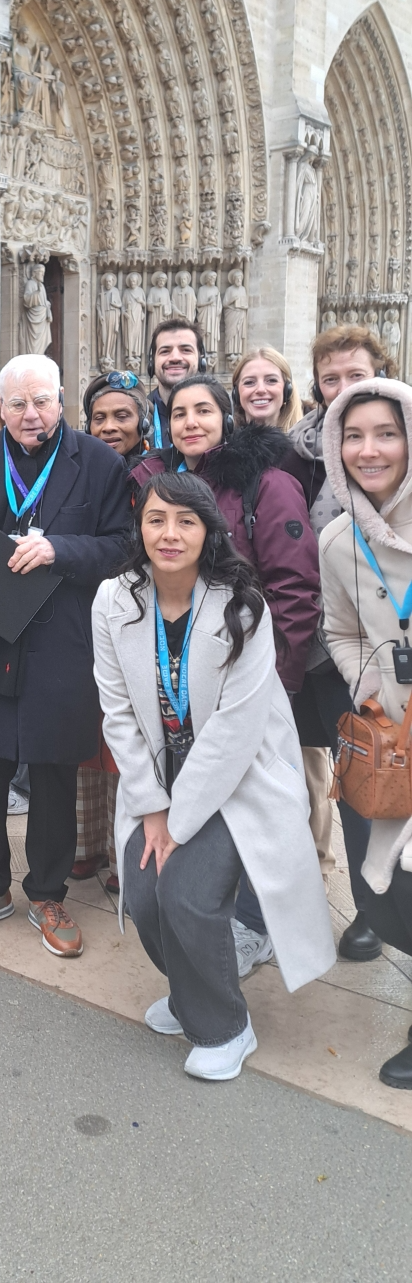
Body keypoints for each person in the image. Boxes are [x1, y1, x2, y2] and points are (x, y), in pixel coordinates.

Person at [93, 473, 334, 1080]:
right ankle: (191, 992)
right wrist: (150, 806)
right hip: (159, 775)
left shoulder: (242, 605)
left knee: (189, 896)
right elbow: (116, 709)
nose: (169, 534)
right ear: (140, 527)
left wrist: (178, 819)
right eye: (156, 520)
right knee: (145, 895)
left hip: (234, 778)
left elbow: (235, 731)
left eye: (186, 521)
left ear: (209, 531)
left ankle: (226, 1024)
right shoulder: (113, 599)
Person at [0, 354, 131, 957]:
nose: (29, 414)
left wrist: (57, 549)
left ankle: (47, 894)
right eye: (16, 403)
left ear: (62, 399)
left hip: (59, 642)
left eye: (41, 401)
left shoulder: (99, 463)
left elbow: (122, 547)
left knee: (51, 770)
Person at [129, 373, 322, 972]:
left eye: (203, 411)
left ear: (226, 418)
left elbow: (294, 589)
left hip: (255, 677)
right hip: (190, 679)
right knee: (212, 802)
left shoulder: (267, 483)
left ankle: (260, 925)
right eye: (179, 412)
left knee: (262, 806)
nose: (190, 422)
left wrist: (273, 682)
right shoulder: (162, 485)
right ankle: (223, 913)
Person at [285, 324, 397, 963]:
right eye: (331, 379)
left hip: (367, 651)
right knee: (299, 779)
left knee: (364, 790)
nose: (343, 389)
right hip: (306, 641)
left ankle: (371, 914)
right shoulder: (295, 451)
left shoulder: (388, 451)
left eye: (356, 375)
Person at [319, 377, 412, 1088]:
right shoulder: (338, 539)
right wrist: (372, 688)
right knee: (380, 893)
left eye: (385, 432)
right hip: (391, 741)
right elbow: (340, 630)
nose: (368, 449)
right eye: (353, 435)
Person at [69, 369, 154, 892]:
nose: (109, 426)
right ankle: (86, 844)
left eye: (122, 415)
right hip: (86, 615)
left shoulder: (154, 472)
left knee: (131, 737)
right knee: (86, 734)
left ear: (142, 419)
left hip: (140, 617)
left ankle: (129, 853)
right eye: (99, 417)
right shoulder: (78, 472)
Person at [146, 317, 205, 452]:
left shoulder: (220, 418)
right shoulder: (137, 418)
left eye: (185, 350)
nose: (175, 358)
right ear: (152, 363)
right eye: (165, 351)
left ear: (201, 361)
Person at [231, 346, 303, 433]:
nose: (261, 389)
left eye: (272, 380)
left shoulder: (311, 443)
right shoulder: (221, 444)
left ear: (287, 390)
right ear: (236, 393)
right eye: (249, 382)